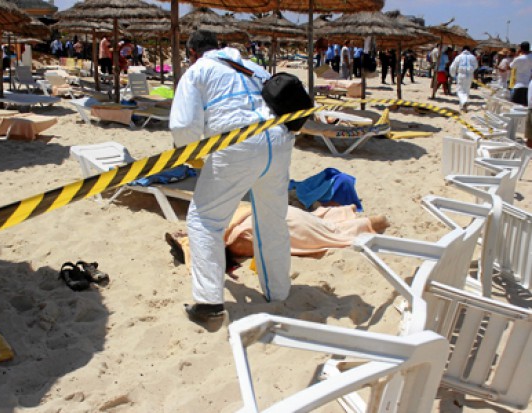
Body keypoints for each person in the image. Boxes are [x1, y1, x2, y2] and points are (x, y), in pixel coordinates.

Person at [169, 30, 297, 323]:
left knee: (204, 221)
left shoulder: (197, 71)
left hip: (238, 144)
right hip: (278, 142)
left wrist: (188, 152)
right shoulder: (253, 67)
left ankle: (209, 303)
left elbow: (184, 125)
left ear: (192, 52)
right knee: (272, 221)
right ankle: (278, 293)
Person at [166, 204, 390, 272]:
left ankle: (369, 224)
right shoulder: (230, 222)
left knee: (331, 234)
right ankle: (367, 222)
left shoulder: (237, 242)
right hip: (282, 214)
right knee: (324, 227)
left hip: (282, 225)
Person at [449, 45, 478, 112]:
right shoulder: (473, 57)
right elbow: (476, 66)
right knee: (466, 90)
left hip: (461, 74)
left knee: (460, 90)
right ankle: (462, 106)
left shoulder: (459, 57)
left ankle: (464, 101)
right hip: (470, 75)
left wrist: (453, 74)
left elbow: (453, 67)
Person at [510, 41, 532, 106]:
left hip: (519, 85)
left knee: (515, 106)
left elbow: (511, 66)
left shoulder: (519, 58)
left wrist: (516, 55)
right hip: (529, 85)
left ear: (521, 49)